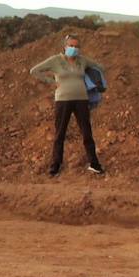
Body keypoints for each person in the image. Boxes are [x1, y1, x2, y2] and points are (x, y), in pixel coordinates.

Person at [30, 34, 106, 176]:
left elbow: (99, 66)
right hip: (63, 101)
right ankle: (55, 165)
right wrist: (52, 82)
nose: (74, 48)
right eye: (71, 45)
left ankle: (94, 164)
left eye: (77, 46)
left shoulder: (82, 61)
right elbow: (34, 71)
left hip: (81, 100)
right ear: (65, 47)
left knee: (87, 132)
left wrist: (95, 79)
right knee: (60, 133)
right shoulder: (55, 61)